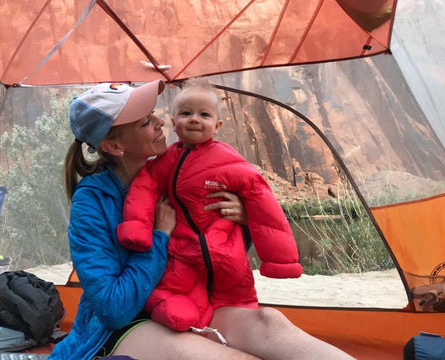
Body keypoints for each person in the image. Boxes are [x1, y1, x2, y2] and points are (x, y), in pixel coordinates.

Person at [49, 80, 355, 360]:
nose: (159, 123)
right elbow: (113, 307)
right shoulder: (92, 202)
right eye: (145, 122)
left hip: (193, 301)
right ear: (114, 146)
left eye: (154, 113)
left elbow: (210, 250)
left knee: (269, 322)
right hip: (125, 324)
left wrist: (241, 220)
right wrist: (159, 238)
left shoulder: (175, 170)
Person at [117, 77, 302, 332]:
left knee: (240, 300)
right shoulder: (164, 161)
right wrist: (137, 228)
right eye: (186, 113)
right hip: (184, 254)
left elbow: (261, 200)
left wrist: (280, 258)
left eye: (204, 114)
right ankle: (181, 312)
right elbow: (144, 188)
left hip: (228, 253)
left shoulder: (229, 161)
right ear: (173, 123)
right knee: (173, 291)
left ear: (217, 126)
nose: (194, 119)